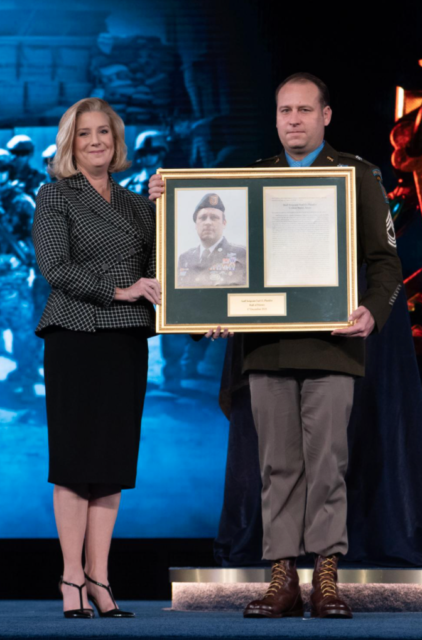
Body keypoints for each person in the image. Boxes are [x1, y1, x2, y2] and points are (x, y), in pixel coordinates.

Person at [148, 72, 403, 620]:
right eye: (285, 110)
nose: (293, 120)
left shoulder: (357, 176)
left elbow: (385, 262)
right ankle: (283, 576)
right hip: (265, 347)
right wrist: (168, 202)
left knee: (328, 463)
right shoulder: (251, 179)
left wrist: (373, 313)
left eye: (304, 110)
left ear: (325, 116)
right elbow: (221, 256)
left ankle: (326, 576)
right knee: (277, 466)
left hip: (333, 344)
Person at [32, 97, 160, 619]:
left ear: (116, 140)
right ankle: (69, 580)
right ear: (70, 143)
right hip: (75, 336)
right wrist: (122, 289)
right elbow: (55, 268)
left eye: (103, 132)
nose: (95, 142)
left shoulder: (138, 204)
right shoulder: (54, 195)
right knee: (74, 465)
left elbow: (166, 269)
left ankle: (99, 580)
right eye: (84, 134)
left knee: (110, 467)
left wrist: (166, 208)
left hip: (126, 341)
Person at [177, 192, 247, 287]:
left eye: (214, 218)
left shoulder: (242, 254)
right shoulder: (185, 258)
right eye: (203, 218)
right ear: (196, 224)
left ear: (224, 223)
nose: (208, 222)